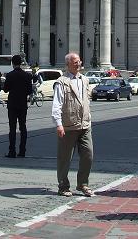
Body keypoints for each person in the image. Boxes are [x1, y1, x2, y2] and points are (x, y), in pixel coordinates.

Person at [52, 52, 94, 197]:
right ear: (68, 64)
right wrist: (58, 124)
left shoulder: (85, 79)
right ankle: (63, 186)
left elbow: (86, 100)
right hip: (68, 125)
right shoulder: (61, 82)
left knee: (88, 155)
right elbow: (57, 105)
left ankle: (83, 183)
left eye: (79, 61)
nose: (79, 64)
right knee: (64, 158)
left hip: (85, 125)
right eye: (75, 62)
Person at [2, 54, 33, 158]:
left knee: (12, 128)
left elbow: (6, 89)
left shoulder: (10, 75)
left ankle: (12, 151)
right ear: (21, 63)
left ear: (12, 63)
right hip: (23, 104)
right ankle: (22, 151)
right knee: (23, 128)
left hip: (12, 105)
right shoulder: (27, 76)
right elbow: (29, 91)